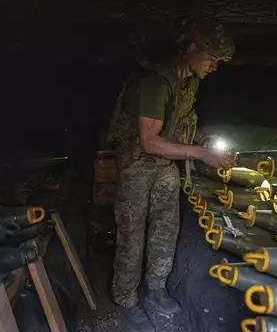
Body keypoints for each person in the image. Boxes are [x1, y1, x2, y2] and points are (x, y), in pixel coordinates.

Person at [106, 18, 235, 331]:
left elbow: (184, 126)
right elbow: (149, 141)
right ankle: (125, 299)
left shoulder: (189, 83)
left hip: (165, 165)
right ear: (191, 49)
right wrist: (201, 154)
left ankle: (155, 290)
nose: (215, 66)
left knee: (166, 230)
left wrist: (207, 143)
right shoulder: (155, 82)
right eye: (211, 58)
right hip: (138, 165)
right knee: (132, 235)